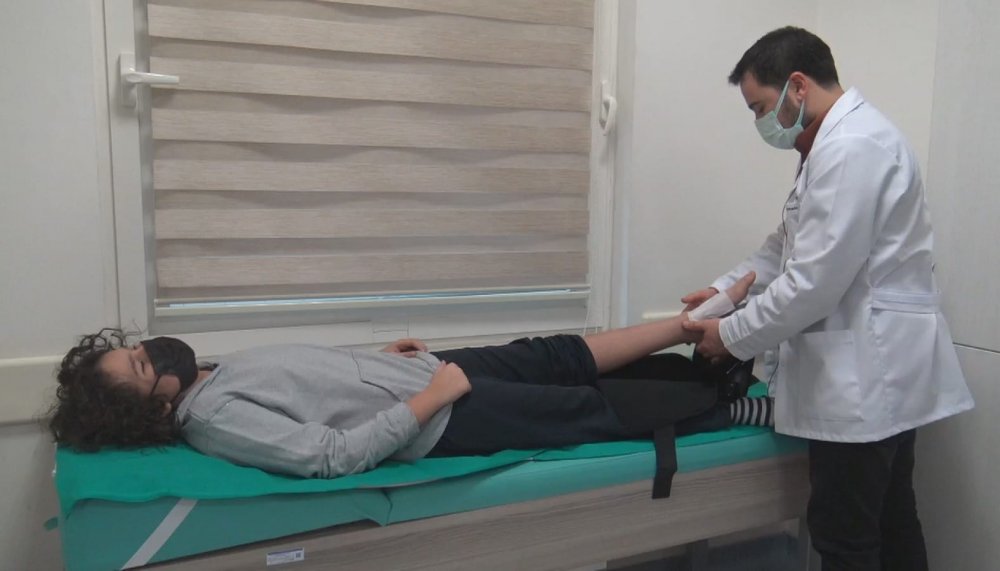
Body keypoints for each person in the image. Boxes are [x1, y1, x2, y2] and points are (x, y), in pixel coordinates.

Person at [680, 27, 975, 571]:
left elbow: (812, 284)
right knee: (891, 523)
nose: (759, 123)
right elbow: (785, 245)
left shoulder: (851, 147)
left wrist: (730, 336)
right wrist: (724, 290)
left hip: (866, 380)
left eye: (760, 108)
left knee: (847, 539)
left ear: (798, 86)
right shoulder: (833, 145)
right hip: (881, 376)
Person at [49, 274, 771, 481]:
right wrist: (429, 399)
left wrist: (379, 360)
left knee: (562, 352)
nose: (150, 353)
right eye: (141, 368)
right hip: (438, 414)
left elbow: (310, 381)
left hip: (417, 373)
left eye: (135, 350)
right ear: (153, 409)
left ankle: (697, 330)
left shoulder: (210, 374)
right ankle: (727, 409)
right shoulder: (213, 419)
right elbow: (330, 455)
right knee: (584, 406)